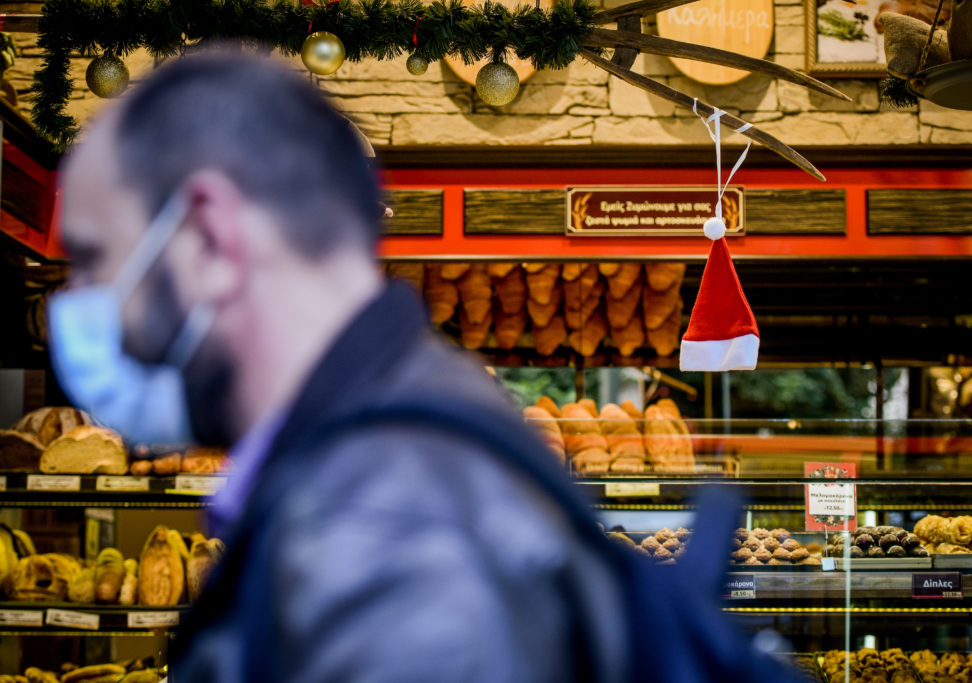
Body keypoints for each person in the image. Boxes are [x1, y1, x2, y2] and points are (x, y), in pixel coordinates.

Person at [51, 50, 630, 681]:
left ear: (211, 238)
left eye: (93, 257)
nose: (76, 300)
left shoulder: (386, 523)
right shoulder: (390, 451)